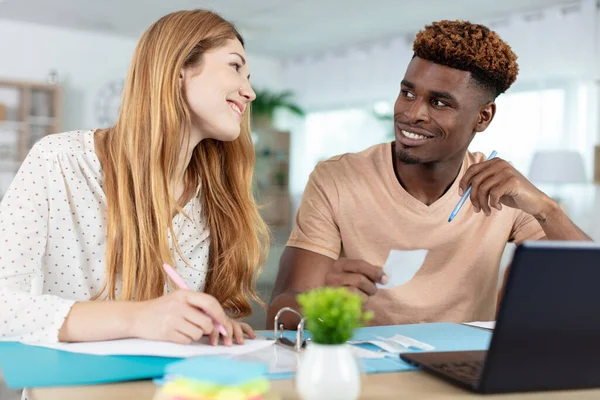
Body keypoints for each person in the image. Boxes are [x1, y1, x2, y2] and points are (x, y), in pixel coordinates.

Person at [268, 20, 591, 329]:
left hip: (463, 369)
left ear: (483, 117)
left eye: (439, 103)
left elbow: (589, 288)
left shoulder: (501, 193)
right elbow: (279, 316)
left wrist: (546, 209)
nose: (412, 114)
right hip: (362, 367)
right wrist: (320, 303)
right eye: (408, 93)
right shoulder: (336, 178)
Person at [0, 9, 269, 346]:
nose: (250, 92)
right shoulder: (59, 160)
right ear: (180, 68)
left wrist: (205, 325)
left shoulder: (213, 196)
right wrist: (138, 317)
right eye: (235, 67)